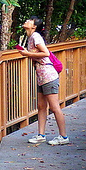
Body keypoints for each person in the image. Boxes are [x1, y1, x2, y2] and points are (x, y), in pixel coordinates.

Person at [17, 16, 69, 145]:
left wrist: (27, 54)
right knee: (41, 106)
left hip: (48, 76)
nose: (26, 21)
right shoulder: (31, 37)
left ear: (34, 26)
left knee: (54, 107)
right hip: (41, 77)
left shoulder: (36, 36)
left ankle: (63, 136)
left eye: (29, 21)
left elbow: (45, 53)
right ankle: (41, 134)